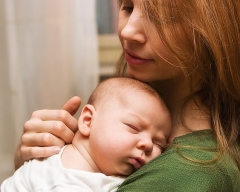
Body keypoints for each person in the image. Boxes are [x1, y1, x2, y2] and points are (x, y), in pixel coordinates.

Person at [14, 0, 240, 191]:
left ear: (215, 28)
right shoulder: (120, 107)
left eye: (161, 16)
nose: (127, 31)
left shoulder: (190, 172)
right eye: (128, 6)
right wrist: (34, 166)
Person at [1, 77, 171, 192]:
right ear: (88, 120)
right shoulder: (67, 179)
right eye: (134, 127)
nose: (148, 145)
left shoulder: (100, 172)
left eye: (159, 144)